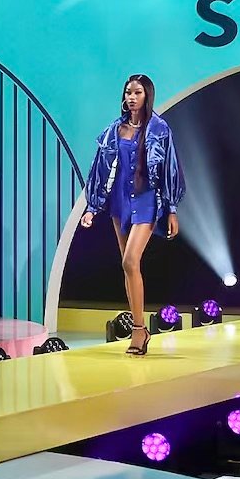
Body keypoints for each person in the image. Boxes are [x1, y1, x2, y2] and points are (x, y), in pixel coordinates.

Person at [80, 74, 186, 355]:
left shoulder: (159, 129)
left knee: (130, 260)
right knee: (129, 267)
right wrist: (92, 207)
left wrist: (171, 209)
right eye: (128, 92)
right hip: (120, 201)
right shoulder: (115, 129)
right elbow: (100, 169)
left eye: (137, 92)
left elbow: (169, 168)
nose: (131, 97)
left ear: (147, 95)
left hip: (147, 201)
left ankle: (139, 330)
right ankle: (139, 329)